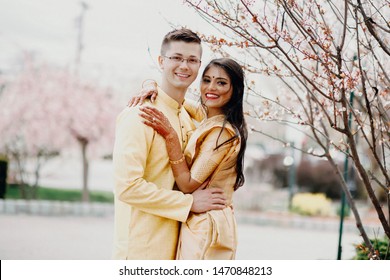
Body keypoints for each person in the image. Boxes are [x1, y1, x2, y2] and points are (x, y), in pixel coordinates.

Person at [112, 28, 227, 260]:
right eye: (176, 58)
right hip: (141, 252)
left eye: (192, 60)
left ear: (199, 66)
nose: (184, 66)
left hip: (179, 251)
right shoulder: (140, 115)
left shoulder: (187, 115)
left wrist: (152, 84)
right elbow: (127, 187)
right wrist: (188, 202)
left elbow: (216, 114)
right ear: (161, 61)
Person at [131, 57, 247, 259]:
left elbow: (187, 184)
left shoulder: (221, 134)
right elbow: (178, 100)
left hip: (207, 227)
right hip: (203, 222)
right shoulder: (210, 117)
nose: (211, 88)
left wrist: (171, 137)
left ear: (235, 89)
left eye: (221, 83)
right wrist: (151, 86)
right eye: (207, 80)